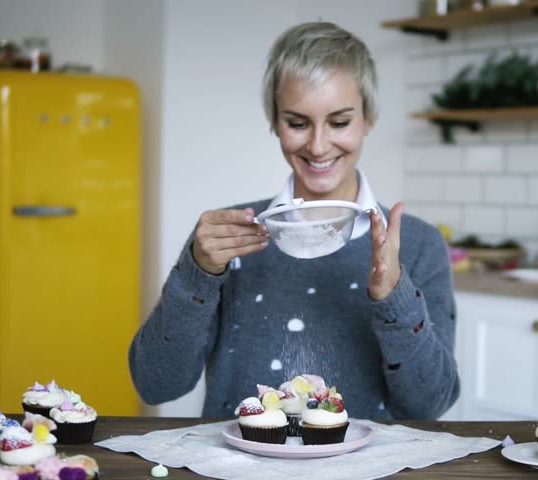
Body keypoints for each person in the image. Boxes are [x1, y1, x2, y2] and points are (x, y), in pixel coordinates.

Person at [129, 21, 459, 420]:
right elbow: (156, 384)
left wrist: (394, 296)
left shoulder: (419, 245)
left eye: (339, 122)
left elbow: (430, 405)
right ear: (274, 120)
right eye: (297, 123)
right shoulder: (226, 240)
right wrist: (197, 273)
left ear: (369, 118)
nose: (318, 145)